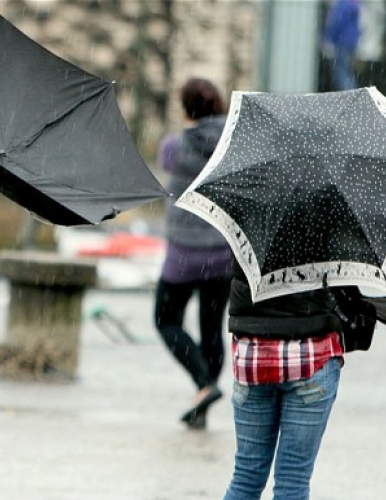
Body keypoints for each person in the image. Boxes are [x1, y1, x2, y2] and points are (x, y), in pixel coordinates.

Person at [221, 266, 344, 498]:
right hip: (310, 355)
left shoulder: (247, 229)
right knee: (293, 479)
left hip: (253, 357)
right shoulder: (325, 229)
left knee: (246, 477)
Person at [154, 78, 233, 429]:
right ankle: (207, 391)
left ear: (187, 109)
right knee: (212, 328)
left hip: (183, 255)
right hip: (222, 253)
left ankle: (203, 384)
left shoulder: (175, 147)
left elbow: (165, 158)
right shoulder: (234, 147)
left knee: (166, 319)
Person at [323, 0, 361, 91]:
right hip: (351, 42)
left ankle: (350, 94)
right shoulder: (354, 5)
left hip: (342, 41)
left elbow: (336, 22)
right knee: (347, 71)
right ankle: (353, 94)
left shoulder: (343, 5)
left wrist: (328, 38)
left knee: (341, 72)